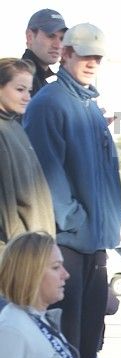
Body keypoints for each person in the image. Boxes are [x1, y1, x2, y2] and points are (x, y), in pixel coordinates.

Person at [24, 23, 121, 358]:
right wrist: (76, 221)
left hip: (93, 242)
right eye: (84, 56)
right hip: (68, 243)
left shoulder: (87, 106)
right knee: (65, 343)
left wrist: (105, 224)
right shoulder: (50, 103)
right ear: (64, 54)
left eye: (97, 58)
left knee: (87, 339)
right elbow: (47, 174)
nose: (91, 64)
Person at [0, 58, 55, 252]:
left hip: (34, 249)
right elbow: (6, 208)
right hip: (18, 256)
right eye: (19, 89)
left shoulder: (15, 127)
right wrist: (21, 257)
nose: (27, 97)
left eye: (29, 91)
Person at [22, 8, 67, 95]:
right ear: (30, 37)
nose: (58, 45)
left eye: (62, 38)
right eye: (50, 36)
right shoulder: (21, 81)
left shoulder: (40, 81)